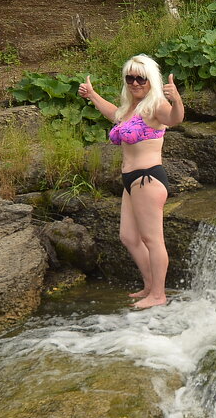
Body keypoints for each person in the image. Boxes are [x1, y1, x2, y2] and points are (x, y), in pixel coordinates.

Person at [78, 55, 184, 308]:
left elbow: (174, 119)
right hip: (130, 180)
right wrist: (92, 95)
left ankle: (159, 295)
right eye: (130, 78)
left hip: (148, 178)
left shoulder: (156, 104)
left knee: (152, 239)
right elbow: (113, 114)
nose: (135, 83)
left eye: (141, 78)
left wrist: (176, 99)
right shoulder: (129, 108)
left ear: (151, 80)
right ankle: (149, 285)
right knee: (128, 237)